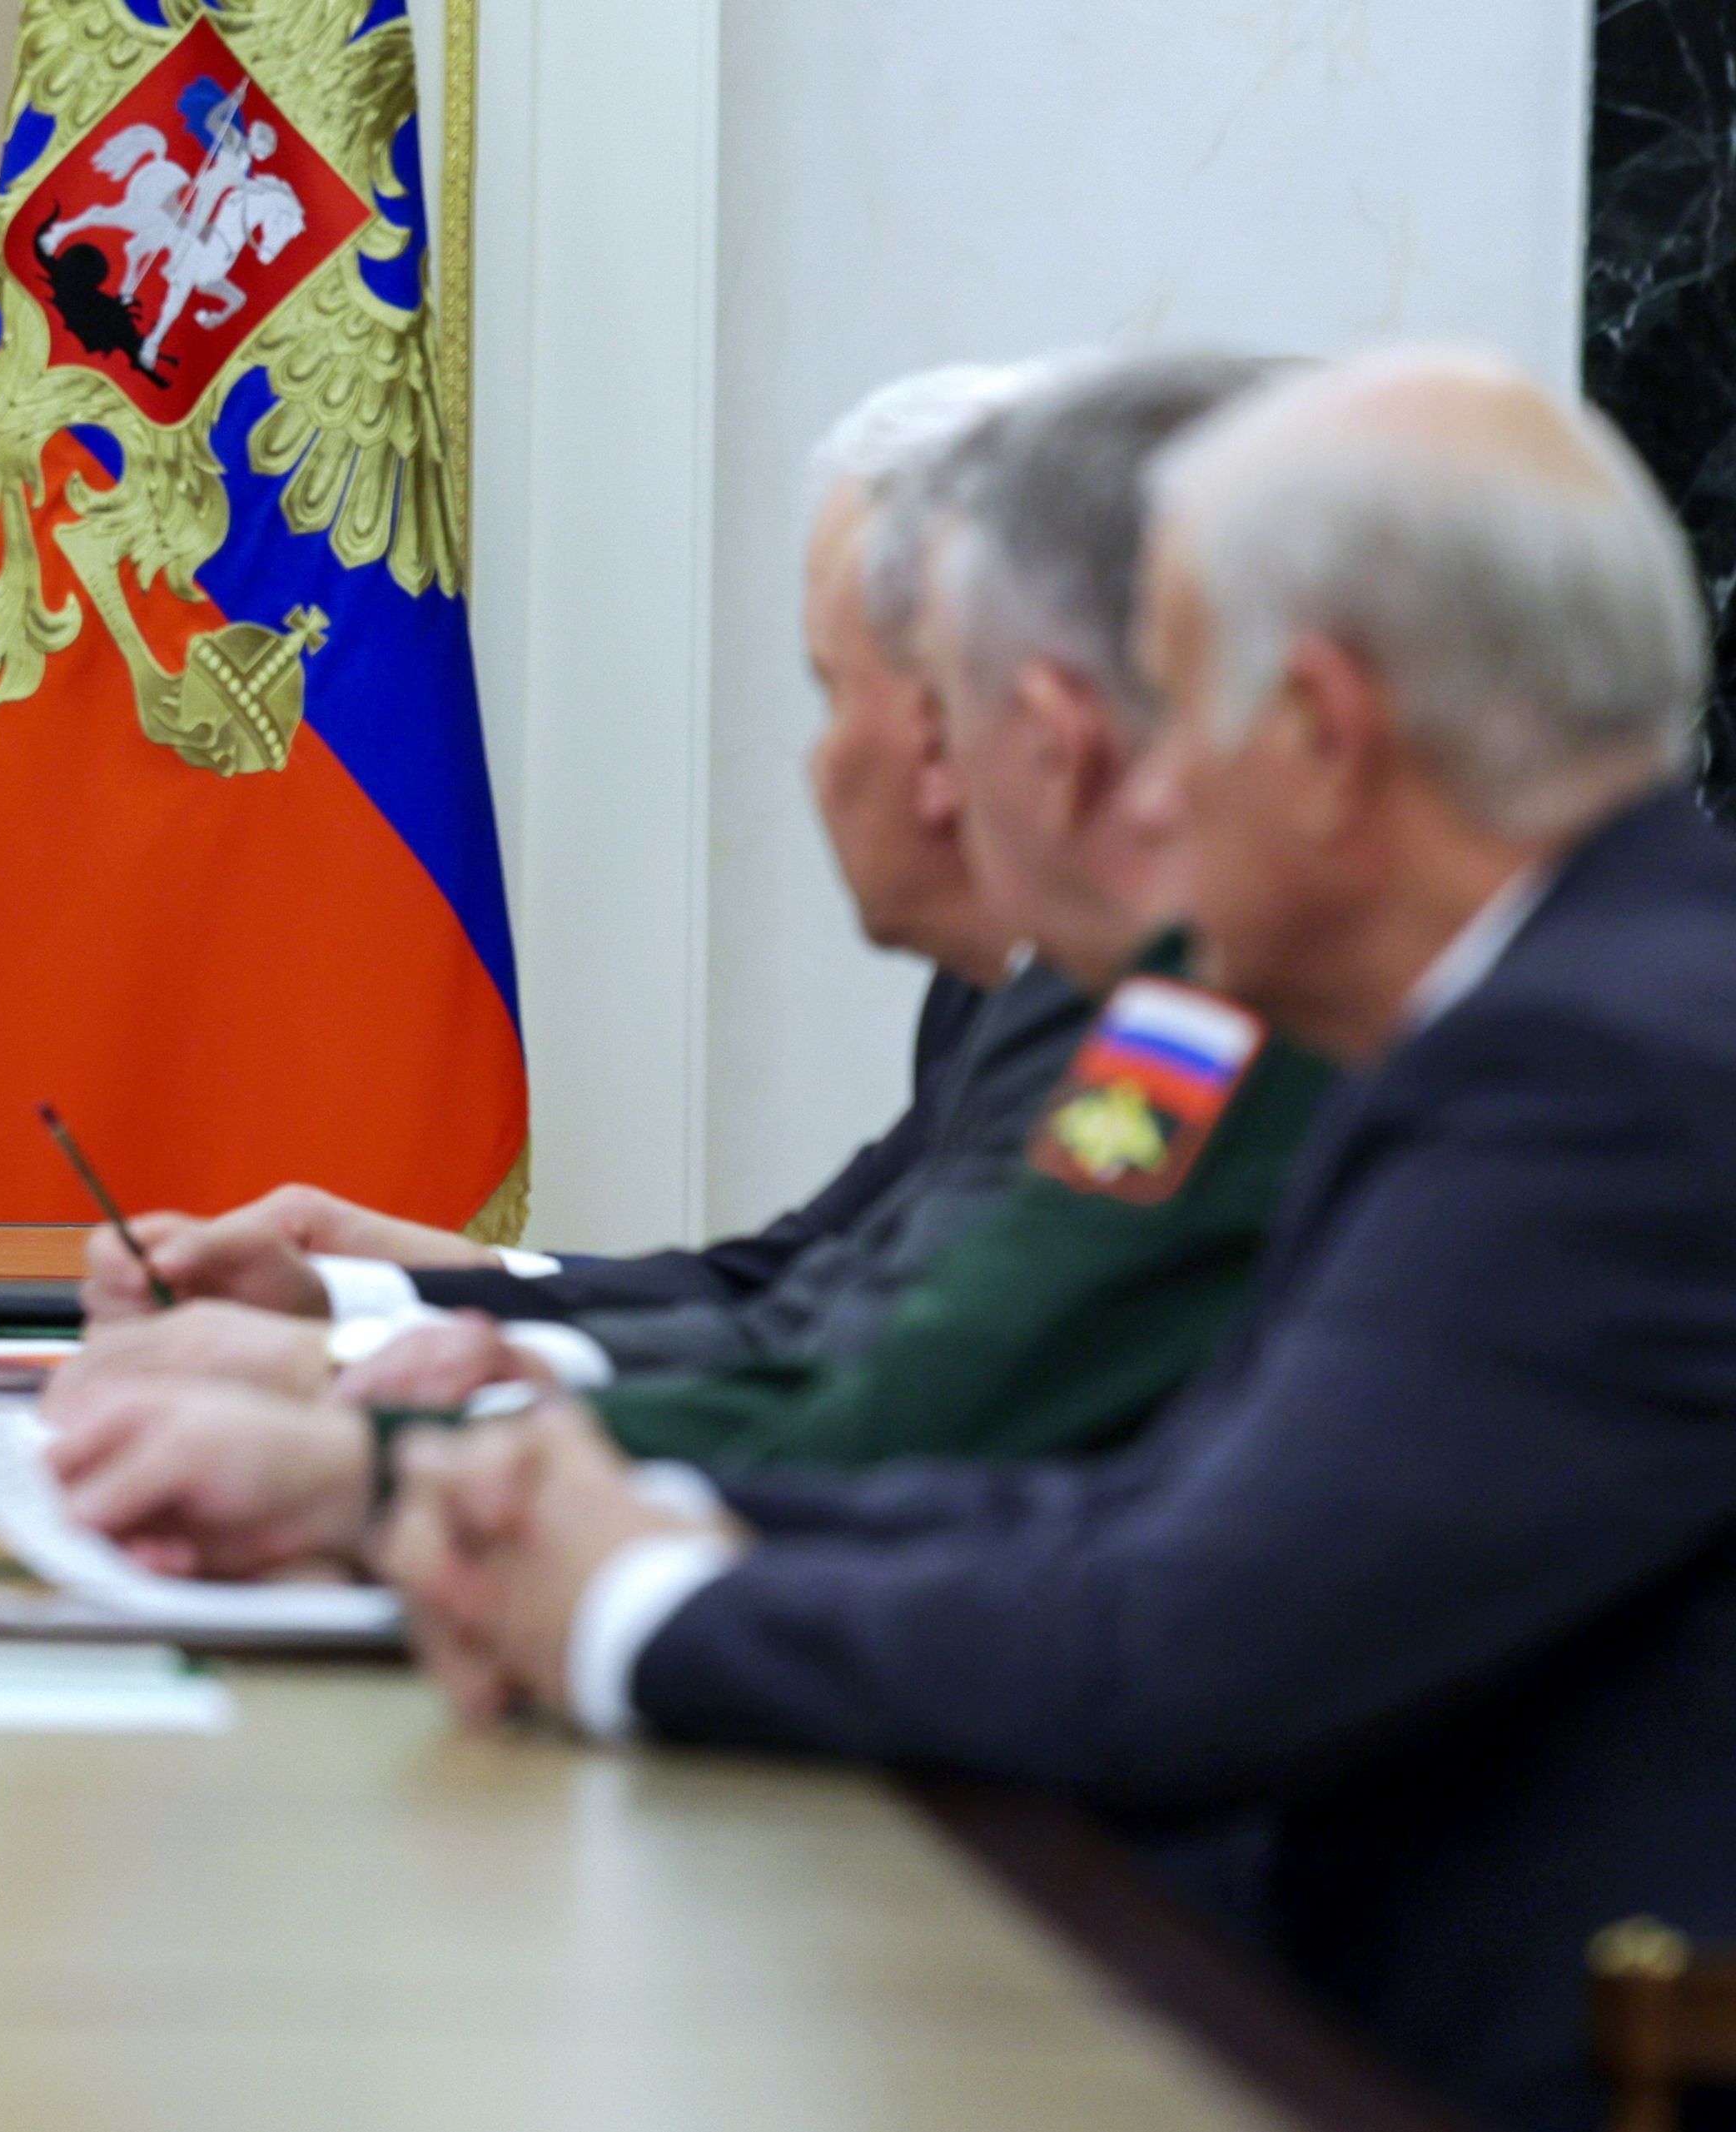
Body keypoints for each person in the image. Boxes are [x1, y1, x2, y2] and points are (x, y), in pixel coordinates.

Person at [381, 349, 1736, 2132]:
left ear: (1324, 738)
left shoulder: (1593, 1073)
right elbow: (1159, 1510)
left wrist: (631, 1605)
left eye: (1173, 711)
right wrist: (666, 1521)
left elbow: (1189, 1642)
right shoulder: (1558, 1007)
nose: (1135, 792)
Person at [42, 356, 1344, 1575]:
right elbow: (833, 1288)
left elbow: (928, 1395)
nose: (872, 767)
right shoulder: (1132, 981)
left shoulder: (1217, 1010)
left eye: (883, 696)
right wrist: (385, 1333)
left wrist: (378, 1462)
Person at [77, 365, 1088, 1389]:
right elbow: (798, 1280)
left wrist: (399, 1422)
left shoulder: (1132, 1007)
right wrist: (363, 1292)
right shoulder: (1005, 983)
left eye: (832, 689)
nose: (819, 760)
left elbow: (892, 1373)